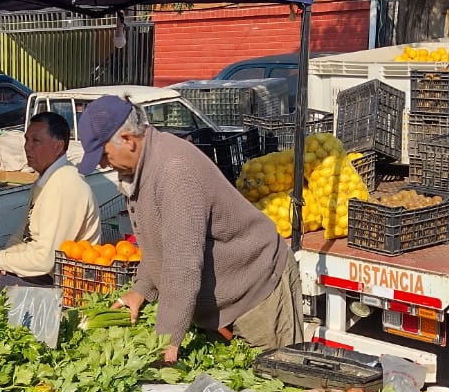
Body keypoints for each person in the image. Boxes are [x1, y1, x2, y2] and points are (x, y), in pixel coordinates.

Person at [77, 95, 301, 361]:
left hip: (258, 291)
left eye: (103, 154)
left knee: (274, 387)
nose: (103, 164)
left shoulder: (174, 171)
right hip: (223, 302)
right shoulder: (139, 168)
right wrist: (142, 289)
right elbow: (159, 240)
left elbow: (182, 262)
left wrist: (167, 341)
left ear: (127, 140)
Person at [0, 112, 101, 292]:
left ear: (58, 146)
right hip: (45, 275)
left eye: (36, 141)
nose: (27, 147)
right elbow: (24, 234)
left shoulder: (65, 185)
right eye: (26, 140)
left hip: (67, 286)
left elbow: (46, 259)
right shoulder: (46, 180)